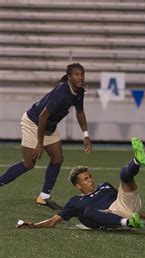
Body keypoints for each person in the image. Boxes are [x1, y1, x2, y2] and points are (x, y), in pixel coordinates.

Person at [0, 63, 92, 210]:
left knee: (57, 158)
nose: (80, 77)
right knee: (29, 163)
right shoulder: (62, 94)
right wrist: (39, 144)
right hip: (34, 122)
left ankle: (43, 197)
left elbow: (80, 112)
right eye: (76, 74)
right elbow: (43, 116)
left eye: (82, 74)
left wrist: (85, 135)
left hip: (48, 126)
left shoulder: (79, 90)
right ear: (69, 77)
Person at [16, 138, 145, 230]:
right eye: (85, 179)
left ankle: (137, 160)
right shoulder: (75, 202)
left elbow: (126, 203)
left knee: (124, 176)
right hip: (112, 217)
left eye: (90, 176)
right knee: (88, 211)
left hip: (123, 206)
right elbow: (54, 221)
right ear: (78, 186)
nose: (90, 179)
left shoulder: (105, 187)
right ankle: (128, 223)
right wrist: (34, 225)